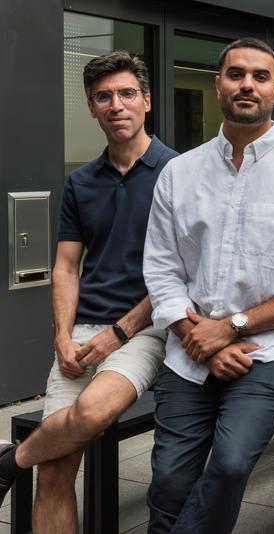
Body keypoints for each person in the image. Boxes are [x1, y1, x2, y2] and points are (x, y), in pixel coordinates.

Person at [143, 37, 274, 534]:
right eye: (236, 74)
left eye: (259, 76)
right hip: (189, 347)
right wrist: (203, 340)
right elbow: (161, 270)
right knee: (169, 477)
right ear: (219, 85)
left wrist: (230, 328)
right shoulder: (178, 173)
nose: (247, 84)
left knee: (230, 464)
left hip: (269, 351)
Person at [0, 51, 175, 532]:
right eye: (104, 97)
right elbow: (66, 267)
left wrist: (119, 333)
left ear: (146, 101)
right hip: (83, 329)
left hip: (148, 330)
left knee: (92, 412)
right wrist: (62, 338)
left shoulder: (180, 173)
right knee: (53, 472)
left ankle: (8, 462)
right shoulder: (80, 181)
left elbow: (182, 276)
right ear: (92, 107)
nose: (115, 105)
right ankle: (24, 462)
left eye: (125, 94)